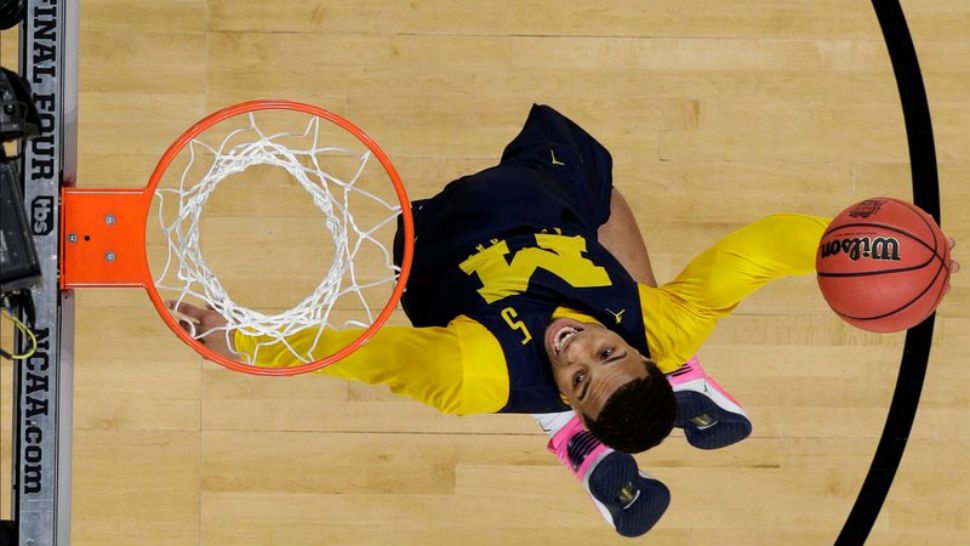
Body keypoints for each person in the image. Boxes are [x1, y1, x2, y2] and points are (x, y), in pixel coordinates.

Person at [171, 104, 960, 537]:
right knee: (606, 194)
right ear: (641, 351)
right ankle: (645, 403)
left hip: (447, 244)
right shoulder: (664, 326)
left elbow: (360, 354)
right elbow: (757, 252)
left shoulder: (468, 372)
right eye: (612, 349)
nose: (577, 343)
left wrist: (240, 342)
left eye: (579, 376)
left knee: (516, 324)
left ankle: (574, 436)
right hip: (545, 207)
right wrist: (842, 243)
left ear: (572, 397)